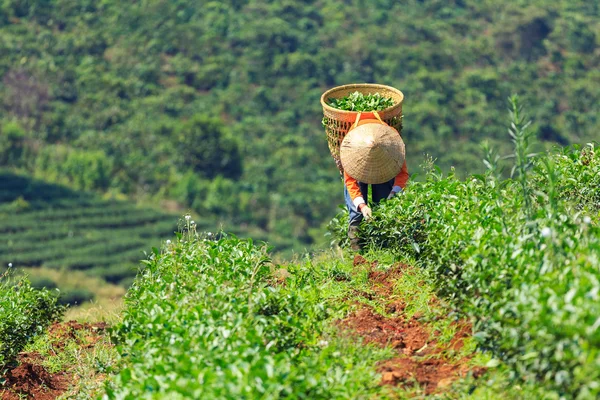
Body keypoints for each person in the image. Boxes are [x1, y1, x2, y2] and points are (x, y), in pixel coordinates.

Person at [339, 113, 408, 251]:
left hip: (384, 169)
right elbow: (351, 182)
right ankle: (358, 253)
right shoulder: (352, 149)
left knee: (384, 208)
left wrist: (393, 194)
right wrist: (362, 206)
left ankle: (383, 249)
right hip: (359, 159)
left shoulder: (392, 146)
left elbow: (402, 174)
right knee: (356, 213)